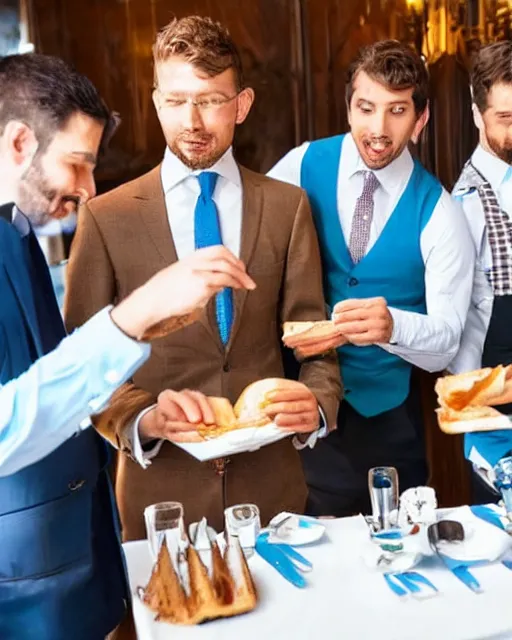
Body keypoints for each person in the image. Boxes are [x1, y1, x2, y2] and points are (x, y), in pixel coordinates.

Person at [0, 53, 254, 640]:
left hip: (75, 564)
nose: (89, 190)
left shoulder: (17, 232)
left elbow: (49, 377)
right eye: (78, 164)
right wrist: (134, 316)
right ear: (18, 142)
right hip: (22, 586)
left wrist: (148, 410)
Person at [64, 16, 341, 538]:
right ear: (155, 101)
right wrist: (141, 420)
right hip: (159, 502)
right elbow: (80, 363)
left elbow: (314, 344)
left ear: (242, 104)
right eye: (175, 100)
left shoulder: (288, 207)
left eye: (211, 100)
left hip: (275, 495)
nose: (192, 120)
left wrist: (318, 405)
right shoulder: (105, 218)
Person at [268, 40, 475, 517]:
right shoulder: (302, 165)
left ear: (419, 120)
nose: (378, 129)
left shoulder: (440, 212)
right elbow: (257, 247)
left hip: (386, 430)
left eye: (396, 111)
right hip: (301, 410)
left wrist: (392, 327)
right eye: (366, 108)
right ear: (349, 108)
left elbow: (445, 341)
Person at [450, 41, 512, 501]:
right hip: (498, 409)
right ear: (477, 114)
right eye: (505, 118)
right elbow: (458, 325)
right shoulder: (461, 206)